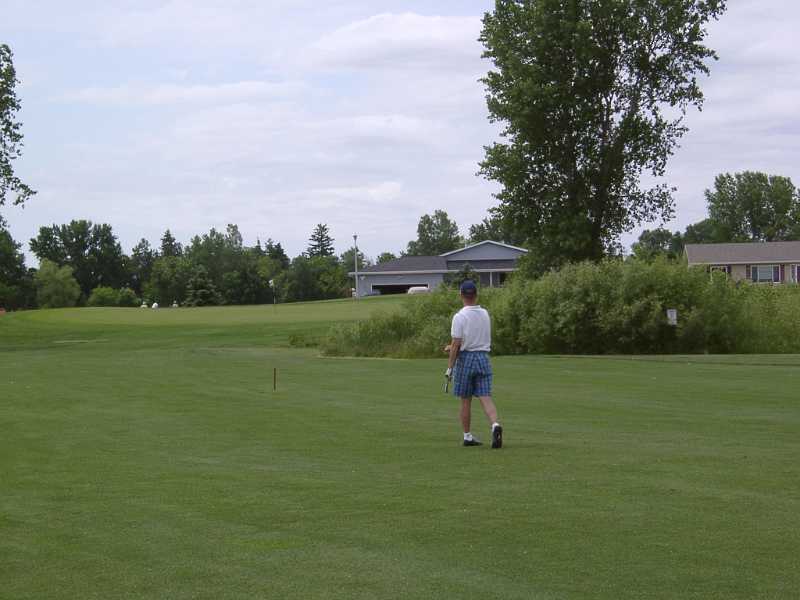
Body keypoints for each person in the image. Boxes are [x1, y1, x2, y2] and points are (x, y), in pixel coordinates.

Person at [444, 280, 503, 448]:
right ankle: (495, 425)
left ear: (461, 295)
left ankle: (467, 436)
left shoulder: (459, 316)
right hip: (483, 357)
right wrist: (452, 347)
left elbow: (456, 344)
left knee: (465, 400)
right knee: (485, 396)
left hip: (466, 359)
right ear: (476, 295)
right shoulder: (484, 313)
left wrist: (449, 368)